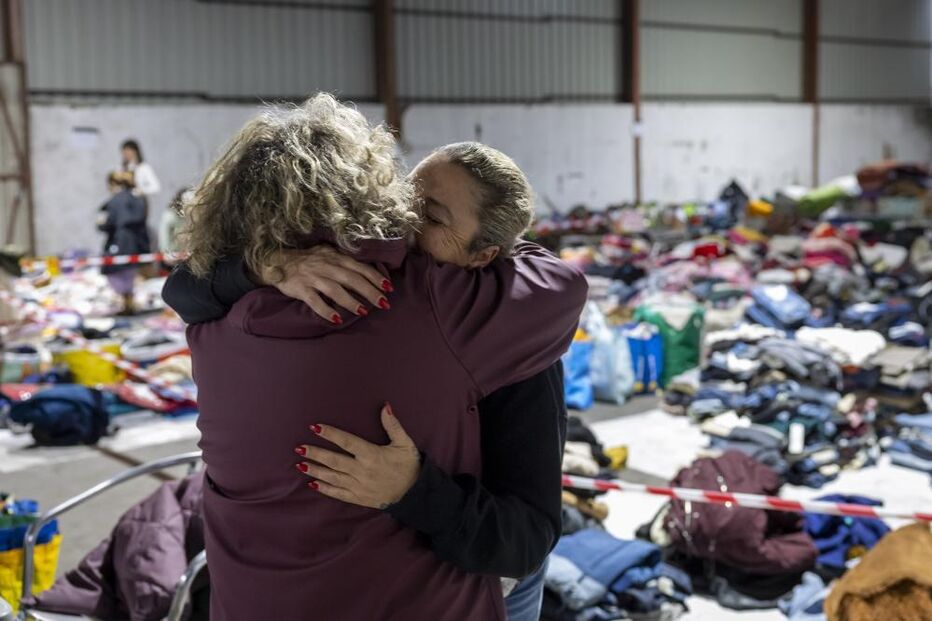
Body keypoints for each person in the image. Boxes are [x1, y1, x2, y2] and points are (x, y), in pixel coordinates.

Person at [176, 94, 586, 620]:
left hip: (483, 553)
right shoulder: (360, 289)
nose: (404, 224)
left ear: (486, 257)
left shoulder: (487, 325)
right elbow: (185, 285)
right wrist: (270, 266)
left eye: (430, 216)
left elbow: (525, 540)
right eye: (405, 198)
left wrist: (416, 491)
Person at [98, 171, 148, 315]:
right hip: (136, 243)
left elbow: (105, 224)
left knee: (114, 273)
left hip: (119, 241)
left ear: (113, 184)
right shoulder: (137, 197)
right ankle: (129, 304)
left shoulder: (114, 201)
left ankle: (124, 304)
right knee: (129, 274)